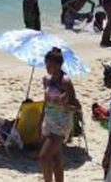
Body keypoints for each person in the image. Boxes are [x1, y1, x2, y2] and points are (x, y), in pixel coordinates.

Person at [39, 48, 77, 182]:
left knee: (44, 157)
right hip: (49, 121)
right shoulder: (46, 80)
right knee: (56, 158)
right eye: (46, 64)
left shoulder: (65, 82)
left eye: (49, 65)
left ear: (58, 65)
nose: (47, 67)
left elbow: (76, 107)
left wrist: (63, 104)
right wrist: (40, 121)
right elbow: (45, 102)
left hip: (61, 123)